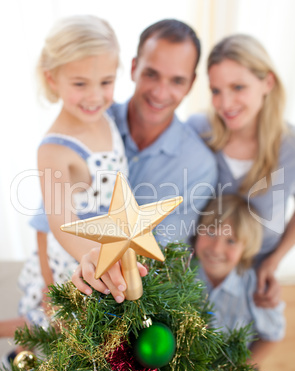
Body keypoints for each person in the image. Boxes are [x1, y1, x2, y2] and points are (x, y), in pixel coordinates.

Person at [1, 14, 131, 344]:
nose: (94, 96)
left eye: (105, 81)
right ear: (52, 79)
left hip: (110, 255)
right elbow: (60, 221)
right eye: (79, 83)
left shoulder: (106, 118)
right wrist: (92, 257)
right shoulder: (55, 149)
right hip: (77, 264)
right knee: (58, 341)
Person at [72, 19, 217, 299]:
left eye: (177, 80)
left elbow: (161, 252)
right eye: (152, 74)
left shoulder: (199, 166)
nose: (161, 92)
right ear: (134, 67)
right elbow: (49, 217)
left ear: (191, 84)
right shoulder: (91, 122)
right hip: (65, 279)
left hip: (125, 298)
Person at [186, 34, 295, 308]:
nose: (225, 103)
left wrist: (274, 261)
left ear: (267, 83)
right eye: (216, 91)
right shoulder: (199, 130)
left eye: (238, 87)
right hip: (194, 279)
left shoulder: (290, 146)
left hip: (252, 281)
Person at [193, 194, 285, 369]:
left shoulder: (255, 287)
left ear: (246, 248)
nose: (216, 249)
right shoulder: (181, 273)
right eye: (210, 232)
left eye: (231, 241)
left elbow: (272, 335)